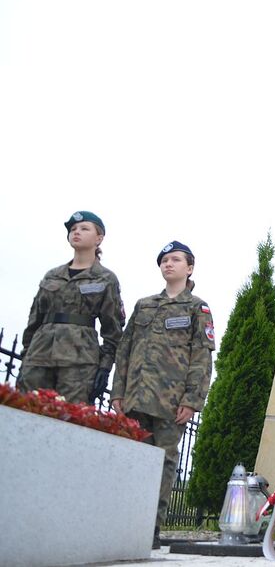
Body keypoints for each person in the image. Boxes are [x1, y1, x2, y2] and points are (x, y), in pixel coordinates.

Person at [112, 241, 215, 548]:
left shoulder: (197, 307)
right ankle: (125, 521)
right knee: (132, 460)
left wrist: (191, 400)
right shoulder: (145, 305)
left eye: (175, 259)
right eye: (164, 260)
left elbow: (202, 357)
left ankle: (150, 527)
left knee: (164, 463)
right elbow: (125, 350)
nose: (168, 264)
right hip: (135, 399)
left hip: (171, 403)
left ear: (189, 267)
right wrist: (118, 392)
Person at [17, 211, 125, 405]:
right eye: (73, 229)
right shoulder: (52, 275)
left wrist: (105, 367)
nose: (77, 232)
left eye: (84, 229)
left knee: (70, 419)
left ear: (99, 238)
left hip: (79, 363)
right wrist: (26, 356)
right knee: (26, 411)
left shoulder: (105, 278)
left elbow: (113, 329)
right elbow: (34, 320)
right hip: (39, 357)